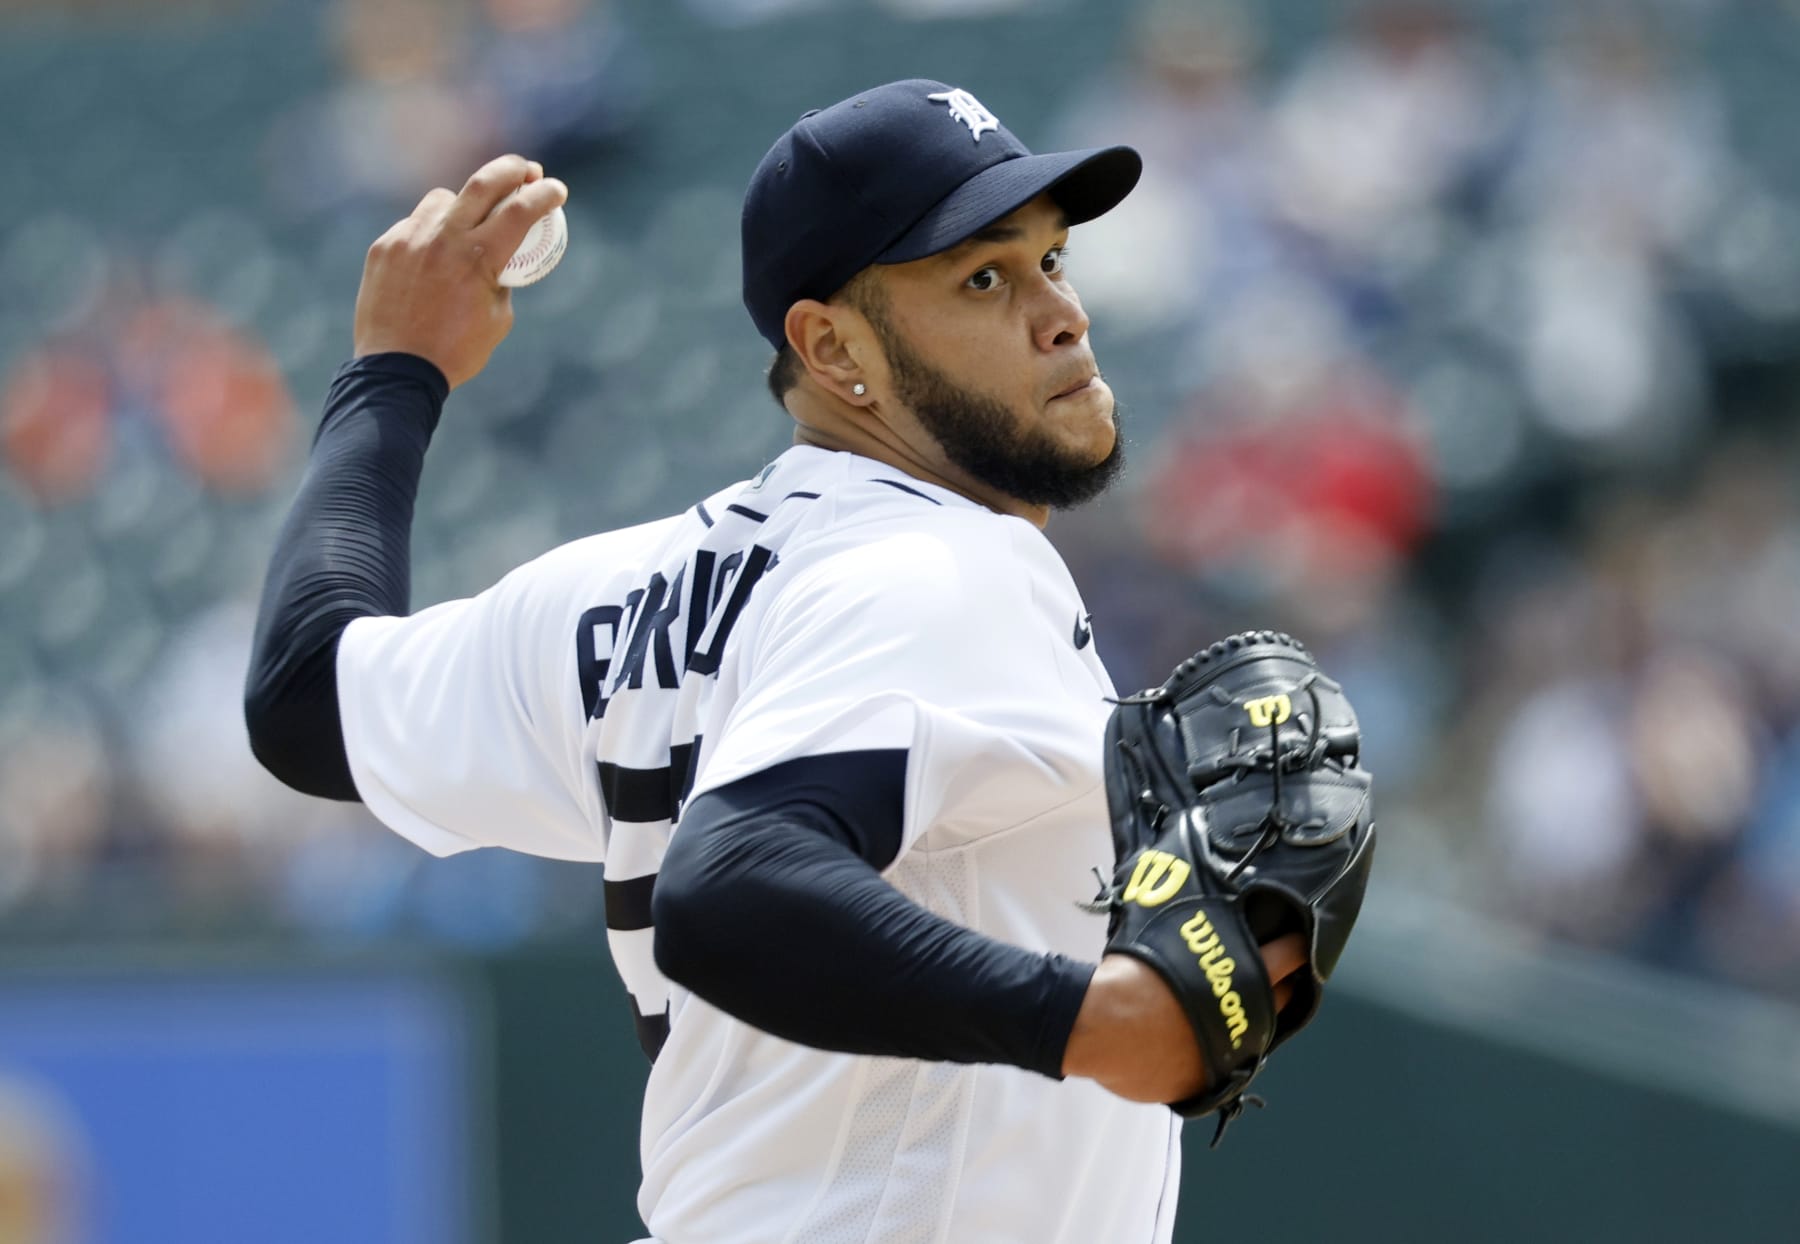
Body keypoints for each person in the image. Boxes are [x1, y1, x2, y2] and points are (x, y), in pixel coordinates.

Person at [244, 79, 1309, 1244]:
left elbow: (307, 696)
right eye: (985, 277)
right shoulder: (944, 566)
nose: (1061, 314)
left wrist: (393, 373)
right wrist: (1092, 1018)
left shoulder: (624, 590)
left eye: (1053, 259)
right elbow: (731, 880)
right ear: (831, 344)